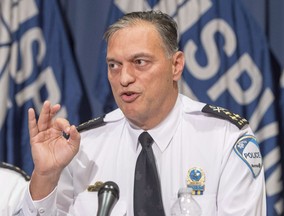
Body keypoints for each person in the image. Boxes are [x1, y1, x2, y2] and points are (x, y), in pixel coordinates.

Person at [15, 10, 266, 215]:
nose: (124, 78)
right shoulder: (83, 147)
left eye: (140, 62)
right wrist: (45, 177)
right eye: (114, 65)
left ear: (176, 65)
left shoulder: (224, 139)